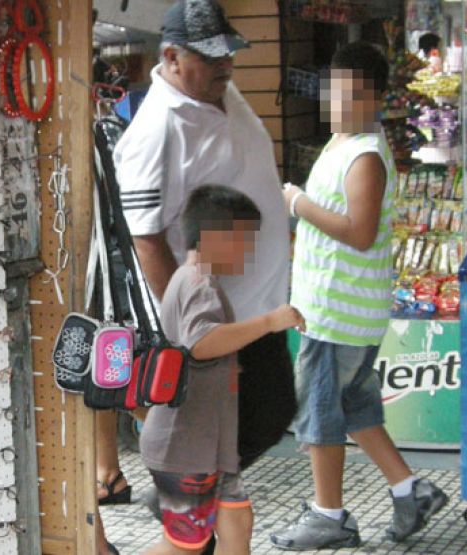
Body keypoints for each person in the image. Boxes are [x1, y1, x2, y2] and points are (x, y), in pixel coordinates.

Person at [270, 41, 449, 551]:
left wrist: (298, 203)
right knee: (356, 407)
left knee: (321, 413)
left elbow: (360, 231)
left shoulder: (365, 155)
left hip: (338, 314)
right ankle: (410, 490)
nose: (339, 103)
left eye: (353, 95)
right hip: (339, 308)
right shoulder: (342, 144)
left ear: (375, 99)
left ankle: (329, 515)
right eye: (334, 92)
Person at [114, 0, 295, 475]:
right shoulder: (157, 131)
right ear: (171, 58)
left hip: (255, 306)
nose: (226, 65)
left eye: (227, 53)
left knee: (265, 418)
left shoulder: (218, 94)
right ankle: (182, 513)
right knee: (246, 427)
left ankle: (190, 513)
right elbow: (146, 239)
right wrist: (189, 329)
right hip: (217, 323)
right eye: (211, 57)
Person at [141, 185, 304, 555]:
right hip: (185, 447)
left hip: (208, 446)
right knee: (185, 546)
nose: (249, 251)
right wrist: (268, 322)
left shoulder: (195, 280)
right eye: (244, 240)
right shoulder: (199, 285)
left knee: (237, 521)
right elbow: (201, 343)